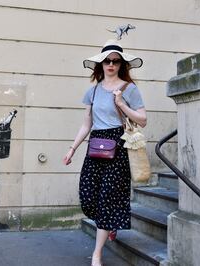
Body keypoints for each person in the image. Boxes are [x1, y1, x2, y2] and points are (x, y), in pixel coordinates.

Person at [63, 39, 147, 266]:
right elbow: (86, 124)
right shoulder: (92, 92)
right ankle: (109, 223)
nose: (111, 64)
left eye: (116, 61)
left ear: (121, 64)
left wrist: (121, 104)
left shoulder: (130, 89)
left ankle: (97, 254)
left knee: (109, 197)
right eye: (107, 61)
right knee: (89, 195)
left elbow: (143, 120)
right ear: (100, 64)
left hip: (118, 146)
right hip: (96, 144)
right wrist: (72, 149)